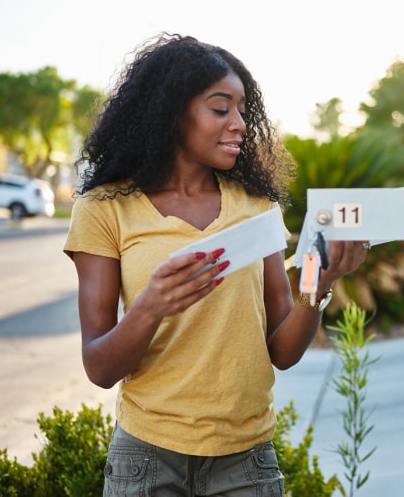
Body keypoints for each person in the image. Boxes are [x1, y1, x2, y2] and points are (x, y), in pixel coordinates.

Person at [63, 33, 367, 496]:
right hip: (147, 459)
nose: (241, 124)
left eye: (243, 110)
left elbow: (282, 352)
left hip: (246, 460)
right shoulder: (105, 209)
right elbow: (99, 368)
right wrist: (150, 307)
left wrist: (318, 280)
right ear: (172, 113)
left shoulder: (257, 204)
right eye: (221, 108)